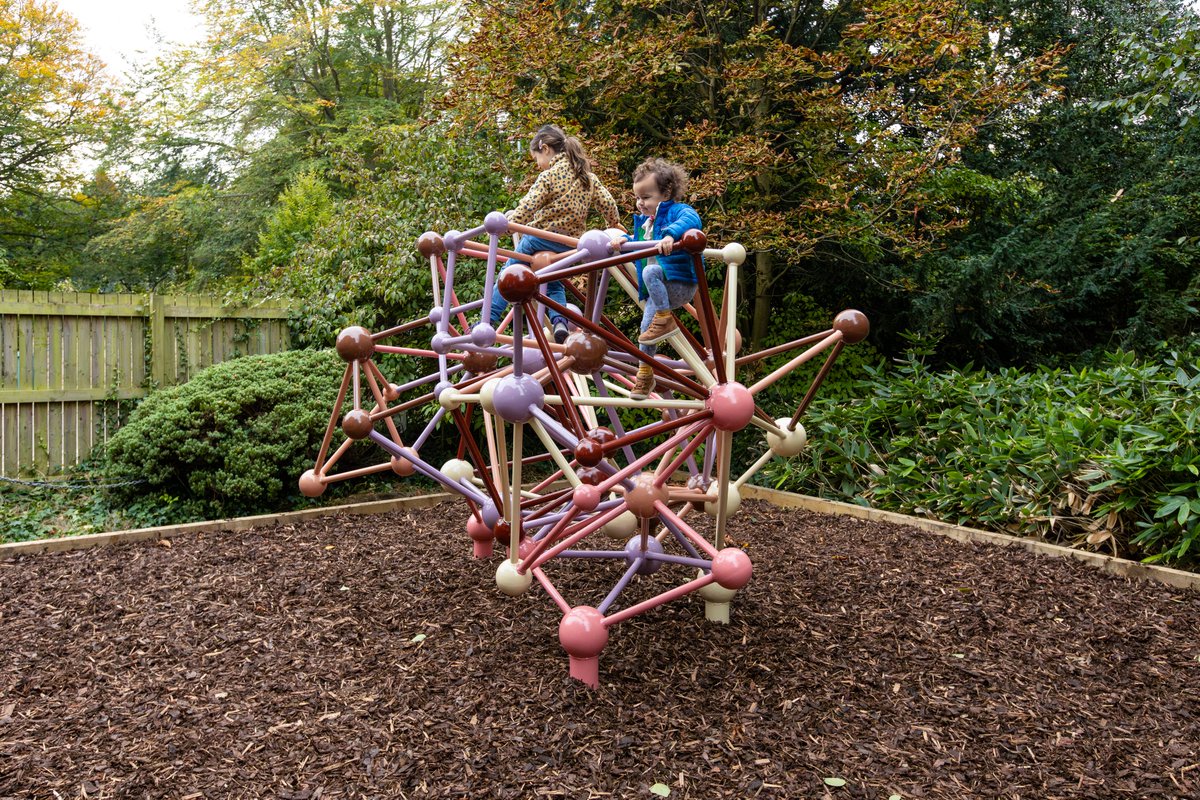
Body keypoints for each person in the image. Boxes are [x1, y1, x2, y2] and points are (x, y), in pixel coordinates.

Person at [489, 125, 621, 343]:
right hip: (570, 245)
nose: (538, 165)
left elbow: (528, 206)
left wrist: (510, 225)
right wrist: (614, 222)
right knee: (553, 283)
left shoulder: (548, 177)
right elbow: (608, 203)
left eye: (537, 158)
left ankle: (490, 319)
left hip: (539, 238)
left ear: (546, 149)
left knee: (509, 272)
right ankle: (560, 323)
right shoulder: (587, 178)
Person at [610, 158, 702, 400]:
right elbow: (640, 241)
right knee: (644, 332)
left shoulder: (676, 211)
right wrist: (625, 240)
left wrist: (672, 235)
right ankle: (645, 375)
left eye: (647, 197)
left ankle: (665, 318)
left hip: (680, 283)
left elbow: (692, 220)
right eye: (638, 198)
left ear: (666, 192)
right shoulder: (645, 223)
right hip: (659, 291)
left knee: (651, 271)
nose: (641, 203)